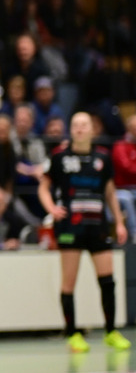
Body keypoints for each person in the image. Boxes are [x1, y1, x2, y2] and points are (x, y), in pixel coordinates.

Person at [40, 112, 131, 353]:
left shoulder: (102, 157)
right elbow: (43, 186)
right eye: (75, 125)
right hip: (70, 227)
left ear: (92, 130)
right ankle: (73, 334)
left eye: (84, 125)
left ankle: (111, 331)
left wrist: (119, 222)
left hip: (97, 226)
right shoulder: (60, 157)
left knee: (108, 281)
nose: (80, 129)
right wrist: (51, 208)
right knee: (69, 282)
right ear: (71, 130)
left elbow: (110, 192)